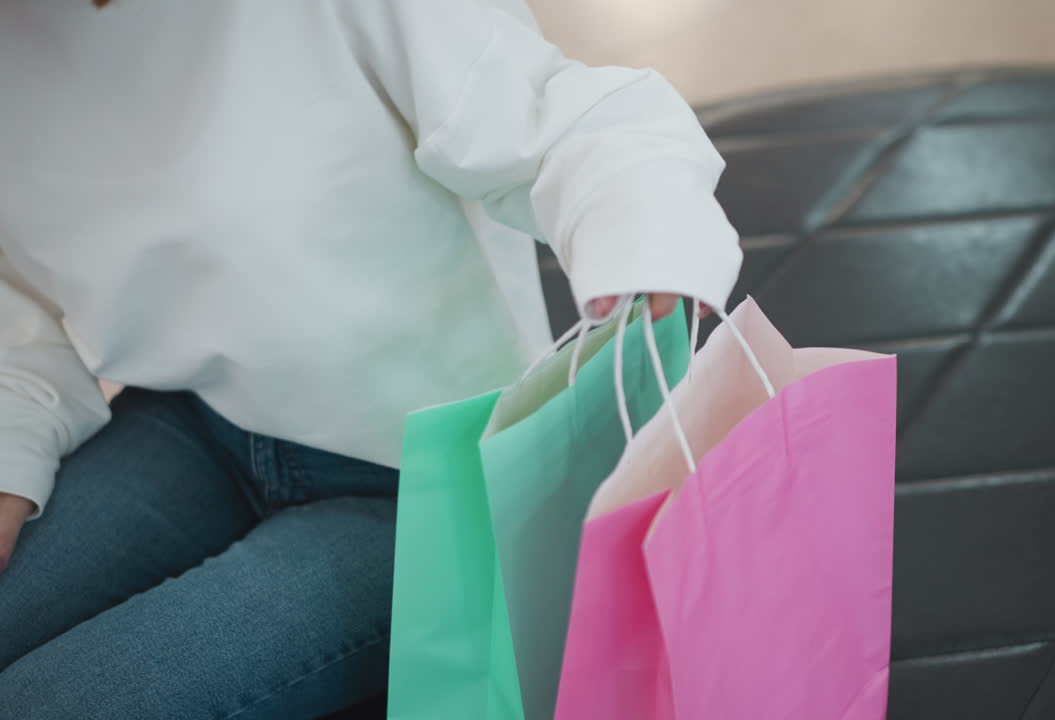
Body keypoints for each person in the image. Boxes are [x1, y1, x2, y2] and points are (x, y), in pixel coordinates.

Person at [0, 1, 741, 717]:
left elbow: (572, 124)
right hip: (193, 422)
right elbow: (21, 322)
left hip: (418, 471)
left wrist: (644, 249)